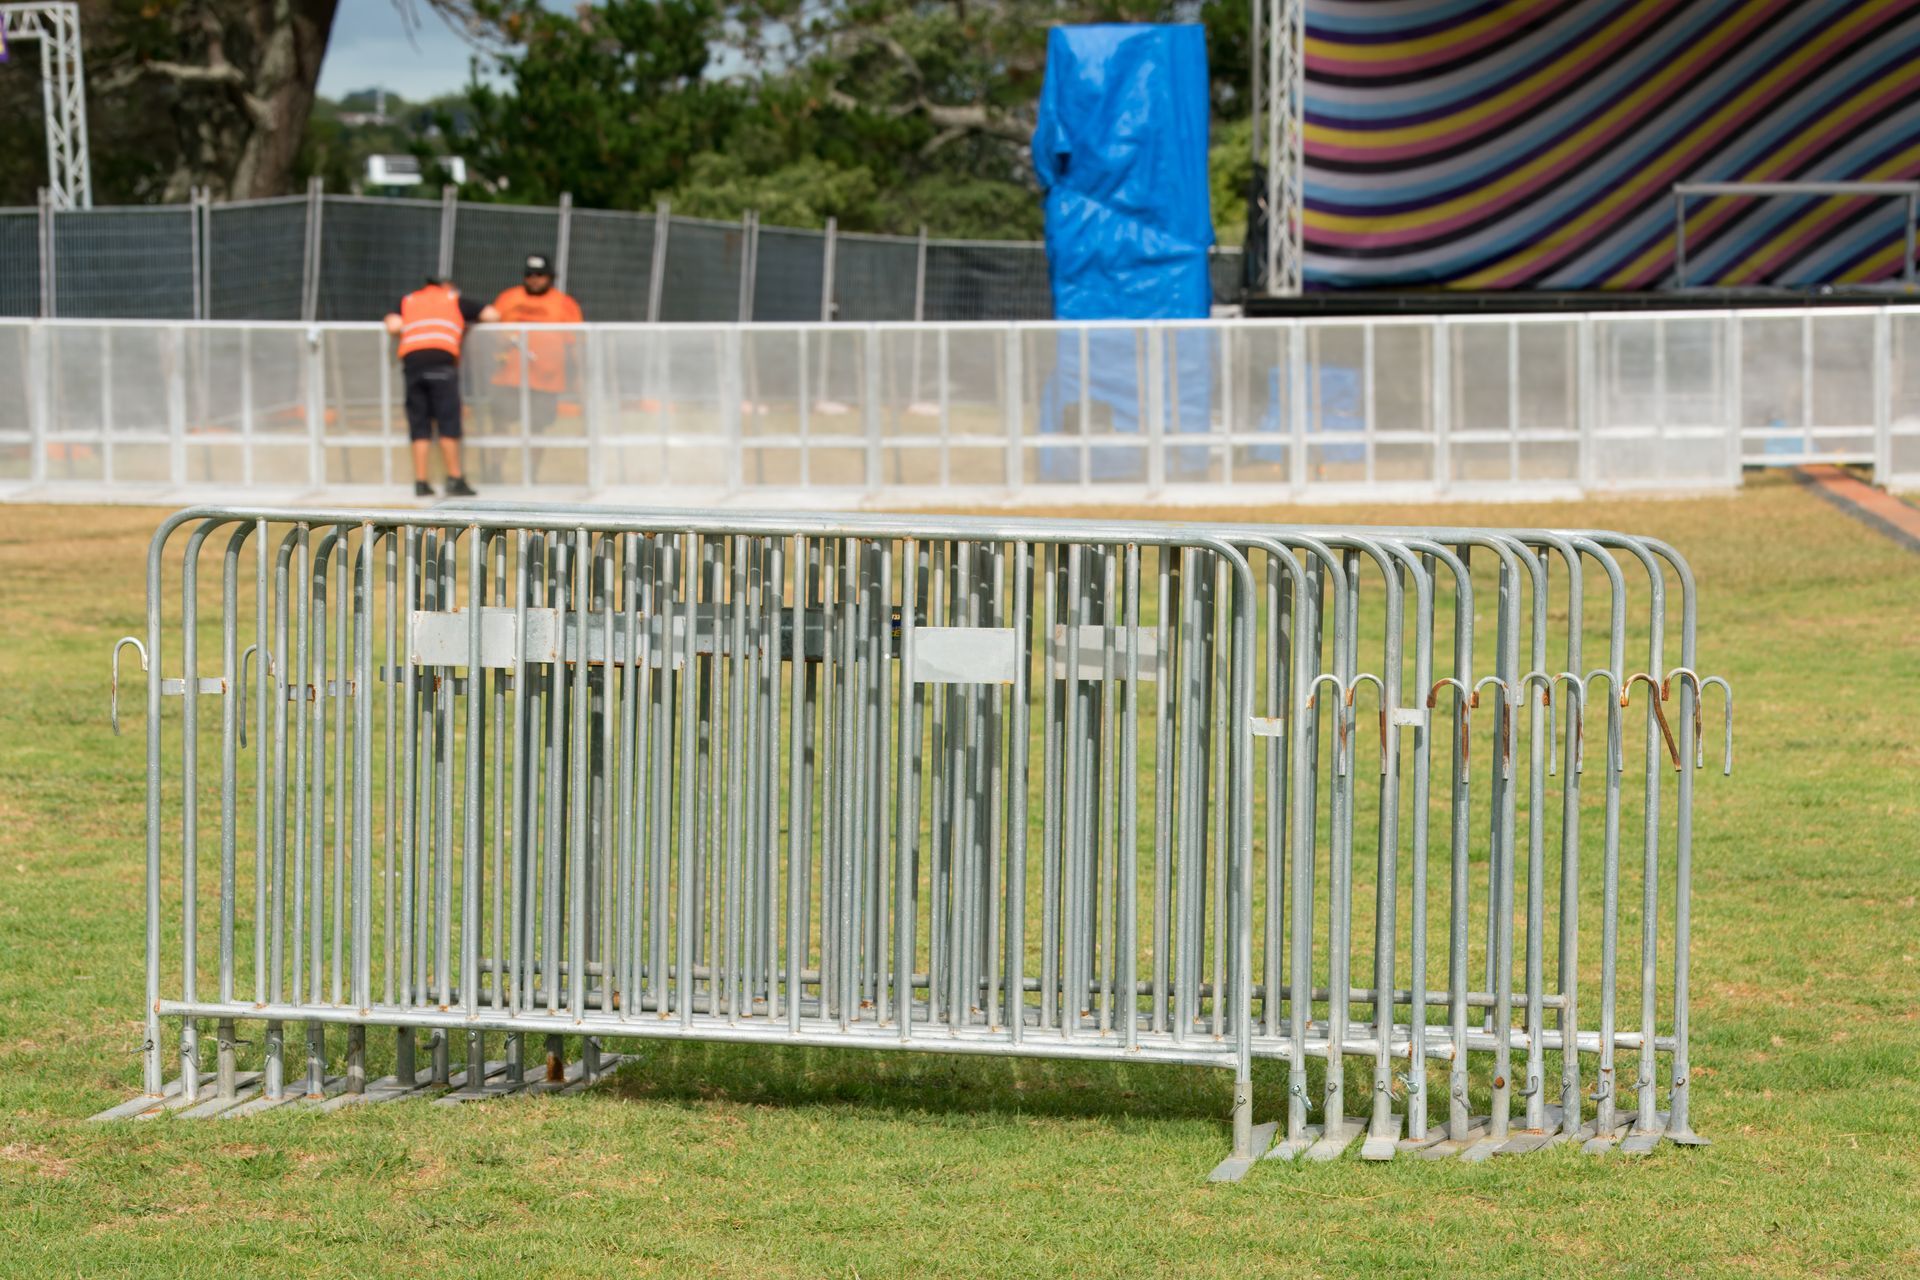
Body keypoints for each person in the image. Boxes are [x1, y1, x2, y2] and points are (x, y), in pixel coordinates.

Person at [383, 276, 499, 498]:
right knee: (448, 420)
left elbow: (393, 325)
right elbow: (493, 314)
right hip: (442, 363)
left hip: (413, 363)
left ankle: (421, 482)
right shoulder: (452, 299)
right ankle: (455, 478)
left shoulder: (408, 300)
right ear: (446, 288)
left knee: (419, 423)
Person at [488, 253, 584, 444]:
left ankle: (533, 473)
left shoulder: (564, 304)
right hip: (508, 378)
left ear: (549, 277)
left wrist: (579, 377)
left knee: (537, 429)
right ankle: (496, 470)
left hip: (546, 379)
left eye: (540, 275)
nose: (534, 279)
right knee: (500, 424)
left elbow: (576, 343)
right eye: (530, 274)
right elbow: (490, 333)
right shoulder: (508, 298)